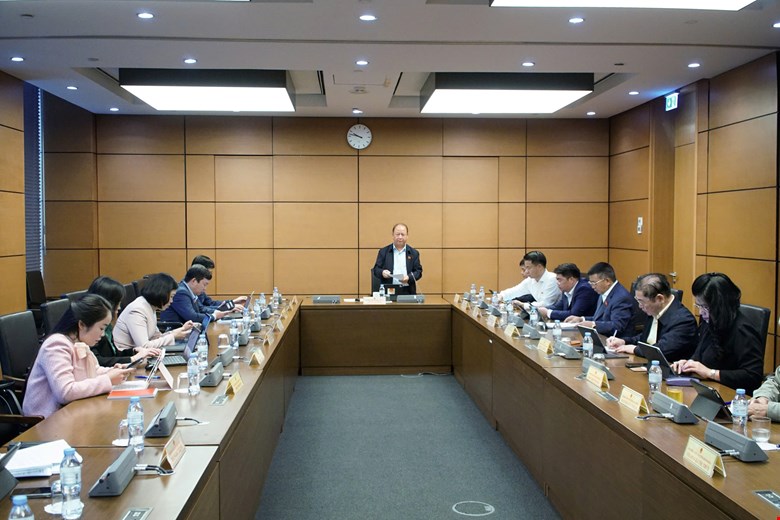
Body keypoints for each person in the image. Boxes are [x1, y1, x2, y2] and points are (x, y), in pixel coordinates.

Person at [22, 294, 134, 418]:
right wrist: (108, 379)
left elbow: (93, 370)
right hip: (46, 420)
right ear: (81, 325)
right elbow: (65, 392)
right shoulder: (56, 345)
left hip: (71, 412)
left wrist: (113, 371)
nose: (102, 335)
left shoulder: (79, 342)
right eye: (101, 328)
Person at [671, 272, 764, 394]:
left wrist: (711, 373)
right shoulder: (710, 321)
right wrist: (688, 364)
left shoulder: (743, 330)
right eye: (698, 306)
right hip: (708, 389)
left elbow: (753, 376)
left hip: (733, 395)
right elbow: (701, 353)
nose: (701, 312)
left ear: (721, 306)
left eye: (705, 307)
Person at [607, 273, 697, 362]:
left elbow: (661, 350)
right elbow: (646, 338)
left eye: (642, 302)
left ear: (660, 299)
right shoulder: (655, 309)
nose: (640, 306)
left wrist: (634, 349)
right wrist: (624, 341)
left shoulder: (684, 320)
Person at [87, 276, 162, 367]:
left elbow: (113, 354)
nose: (119, 308)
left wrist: (134, 351)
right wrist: (133, 359)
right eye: (117, 303)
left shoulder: (107, 326)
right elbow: (98, 361)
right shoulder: (90, 326)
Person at [113, 273, 194, 352]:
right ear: (161, 293)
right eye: (171, 296)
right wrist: (173, 336)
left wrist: (181, 330)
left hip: (142, 353)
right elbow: (144, 346)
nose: (171, 301)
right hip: (126, 355)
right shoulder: (137, 310)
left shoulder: (150, 306)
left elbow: (156, 337)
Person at [564, 262, 636, 338]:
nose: (592, 287)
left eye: (594, 283)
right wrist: (582, 319)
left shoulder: (621, 297)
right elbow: (600, 318)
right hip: (602, 337)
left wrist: (593, 324)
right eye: (590, 283)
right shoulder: (603, 292)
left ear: (607, 281)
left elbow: (617, 326)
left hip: (617, 341)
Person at [160, 265, 230, 323]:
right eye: (204, 284)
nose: (205, 288)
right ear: (194, 281)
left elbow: (200, 309)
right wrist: (214, 316)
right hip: (175, 331)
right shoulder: (181, 293)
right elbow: (192, 317)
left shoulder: (189, 291)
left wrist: (218, 311)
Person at [371, 223, 423, 295]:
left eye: (403, 234)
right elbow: (376, 270)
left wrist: (409, 277)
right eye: (397, 234)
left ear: (407, 236)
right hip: (388, 291)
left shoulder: (414, 253)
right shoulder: (383, 252)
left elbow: (418, 272)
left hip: (407, 291)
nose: (400, 237)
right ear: (393, 235)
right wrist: (382, 272)